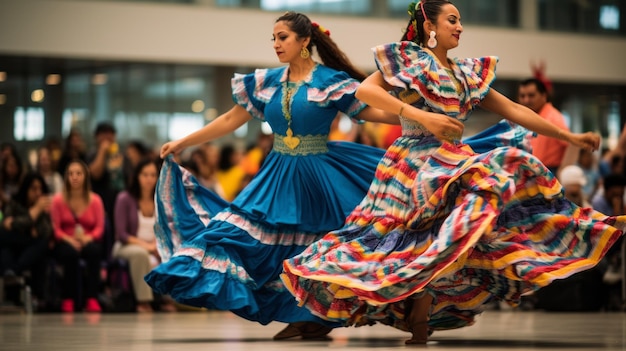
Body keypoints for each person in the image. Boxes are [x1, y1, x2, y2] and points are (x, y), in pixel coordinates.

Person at [281, 0, 625, 345]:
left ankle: (423, 315)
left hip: (451, 160)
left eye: (460, 21)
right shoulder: (411, 61)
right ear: (430, 26)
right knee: (412, 241)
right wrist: (419, 115)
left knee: (486, 195)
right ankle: (414, 315)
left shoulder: (465, 73)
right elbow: (365, 90)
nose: (459, 26)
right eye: (452, 20)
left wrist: (569, 136)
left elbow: (514, 109)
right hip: (411, 165)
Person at [144, 11, 398, 340]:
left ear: (304, 41)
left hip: (320, 177)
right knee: (232, 234)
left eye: (283, 37)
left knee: (318, 248)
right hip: (278, 174)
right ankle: (303, 315)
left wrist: (420, 117)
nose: (276, 44)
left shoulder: (331, 82)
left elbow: (376, 112)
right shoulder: (266, 83)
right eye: (274, 38)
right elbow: (229, 120)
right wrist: (183, 141)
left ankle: (315, 317)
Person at [112, 158, 176, 312]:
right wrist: (147, 247)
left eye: (153, 175)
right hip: (127, 246)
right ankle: (144, 301)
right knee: (141, 255)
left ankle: (167, 299)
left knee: (176, 252)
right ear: (137, 176)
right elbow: (121, 234)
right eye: (145, 175)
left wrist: (156, 245)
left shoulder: (160, 199)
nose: (149, 179)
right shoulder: (124, 198)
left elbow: (165, 229)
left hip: (154, 245)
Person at [50, 159, 105, 313]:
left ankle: (92, 297)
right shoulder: (57, 201)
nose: (74, 177)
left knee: (94, 251)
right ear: (66, 177)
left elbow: (99, 228)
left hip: (87, 239)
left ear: (85, 177)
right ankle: (68, 298)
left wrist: (87, 238)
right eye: (71, 174)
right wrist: (70, 240)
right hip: (65, 240)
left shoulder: (96, 200)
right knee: (70, 254)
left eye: (78, 173)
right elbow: (55, 229)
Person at [0, 173, 52, 308]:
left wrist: (19, 225)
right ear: (26, 189)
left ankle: (13, 271)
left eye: (40, 189)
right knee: (6, 244)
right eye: (33, 189)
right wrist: (34, 214)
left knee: (42, 245)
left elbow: (46, 232)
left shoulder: (45, 206)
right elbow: (6, 226)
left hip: (31, 251)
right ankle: (12, 282)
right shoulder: (14, 203)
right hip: (14, 246)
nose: (38, 193)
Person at [518, 77, 569, 175]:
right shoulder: (527, 117)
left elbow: (571, 145)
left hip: (548, 171)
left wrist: (562, 171)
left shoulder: (553, 117)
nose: (526, 100)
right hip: (529, 171)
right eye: (522, 96)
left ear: (544, 96)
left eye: (531, 95)